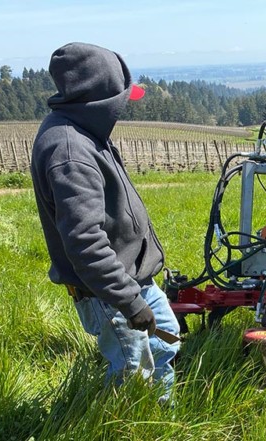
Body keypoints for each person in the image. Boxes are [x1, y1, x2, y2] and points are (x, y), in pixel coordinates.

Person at [30, 42, 180, 402]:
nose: (125, 105)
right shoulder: (69, 151)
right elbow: (85, 243)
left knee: (163, 347)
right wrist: (130, 301)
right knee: (133, 376)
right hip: (111, 292)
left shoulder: (86, 132)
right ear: (99, 97)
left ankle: (162, 421)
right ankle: (128, 427)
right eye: (121, 97)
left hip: (132, 280)